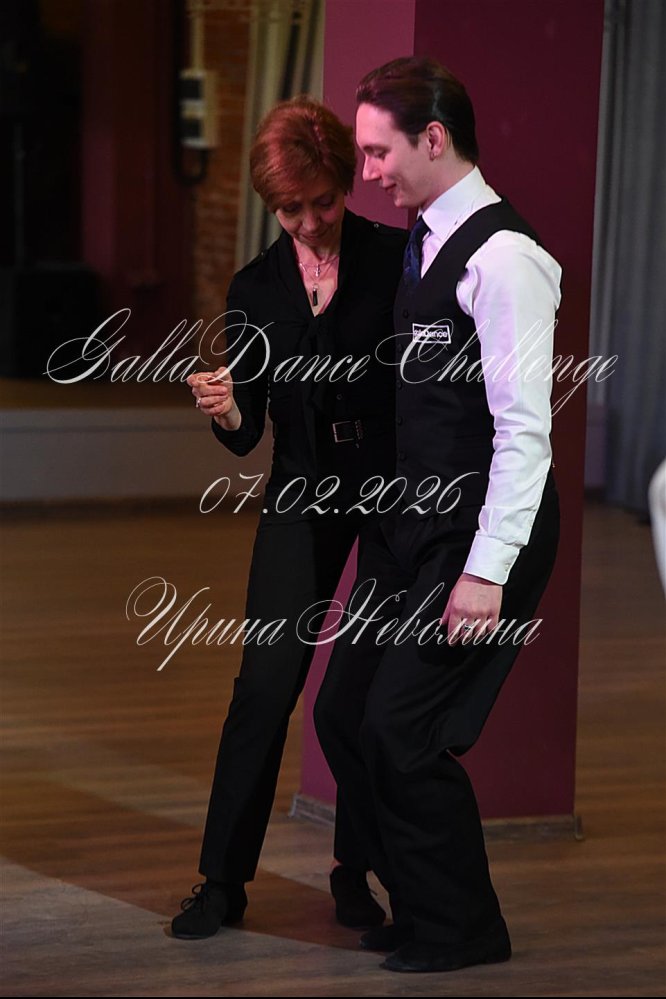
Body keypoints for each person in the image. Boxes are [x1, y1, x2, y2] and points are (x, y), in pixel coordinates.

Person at [314, 57, 562, 973]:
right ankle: (418, 902)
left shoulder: (506, 260)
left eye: (378, 152)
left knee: (402, 729)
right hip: (410, 522)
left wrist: (486, 570)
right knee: (345, 712)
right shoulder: (423, 240)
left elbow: (525, 432)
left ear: (433, 138)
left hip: (479, 533)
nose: (367, 171)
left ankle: (463, 929)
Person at [170, 95, 408, 939]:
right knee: (265, 687)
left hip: (390, 491)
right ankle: (221, 881)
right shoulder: (254, 288)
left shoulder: (399, 260)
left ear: (346, 184)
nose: (309, 222)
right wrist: (228, 408)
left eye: (323, 202)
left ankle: (356, 871)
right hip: (302, 487)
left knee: (362, 697)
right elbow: (246, 436)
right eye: (289, 209)